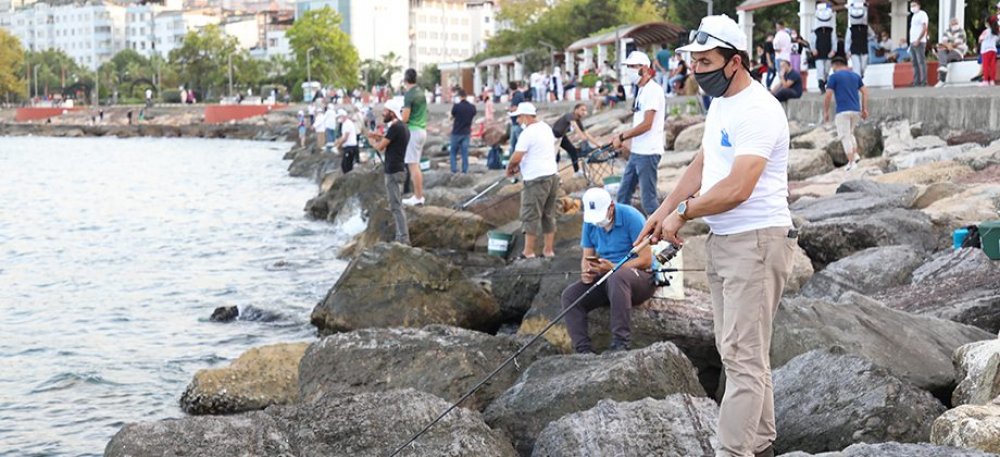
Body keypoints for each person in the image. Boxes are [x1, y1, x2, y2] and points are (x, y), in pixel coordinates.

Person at [644, 14, 796, 457]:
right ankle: (762, 444)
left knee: (743, 357)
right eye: (693, 61)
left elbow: (738, 186)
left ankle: (731, 451)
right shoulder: (722, 105)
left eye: (706, 61)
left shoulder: (760, 109)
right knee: (738, 352)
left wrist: (684, 215)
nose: (697, 70)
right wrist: (663, 210)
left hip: (757, 240)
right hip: (725, 241)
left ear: (735, 62)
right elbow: (706, 162)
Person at [561, 187, 654, 354]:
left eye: (600, 217)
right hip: (608, 277)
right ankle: (583, 350)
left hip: (640, 278)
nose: (597, 222)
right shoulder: (590, 223)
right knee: (570, 295)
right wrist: (587, 272)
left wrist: (614, 267)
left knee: (617, 277)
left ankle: (620, 342)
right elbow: (586, 256)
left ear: (611, 207)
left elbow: (646, 260)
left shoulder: (631, 217)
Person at [612, 51, 666, 216]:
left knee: (648, 201)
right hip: (638, 152)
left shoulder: (652, 90)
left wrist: (622, 136)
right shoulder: (641, 90)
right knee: (622, 196)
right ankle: (626, 232)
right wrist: (627, 142)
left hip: (648, 153)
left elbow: (647, 124)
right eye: (628, 67)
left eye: (632, 66)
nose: (629, 70)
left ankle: (663, 234)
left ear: (644, 69)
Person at [506, 102, 559, 259]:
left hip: (535, 179)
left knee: (530, 215)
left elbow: (517, 156)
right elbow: (537, 153)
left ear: (525, 116)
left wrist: (510, 168)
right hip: (552, 175)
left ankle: (528, 252)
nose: (516, 121)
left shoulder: (527, 133)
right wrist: (520, 166)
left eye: (518, 117)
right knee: (548, 214)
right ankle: (548, 251)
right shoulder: (545, 128)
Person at [366, 98, 411, 245]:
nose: (383, 113)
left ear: (392, 113)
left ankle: (403, 238)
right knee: (397, 204)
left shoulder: (395, 128)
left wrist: (371, 141)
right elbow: (391, 140)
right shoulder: (403, 127)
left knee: (395, 206)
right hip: (400, 169)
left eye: (385, 111)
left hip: (393, 171)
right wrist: (378, 136)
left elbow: (381, 147)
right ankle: (402, 236)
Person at [825, 56, 870, 170]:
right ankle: (855, 156)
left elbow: (828, 95)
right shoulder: (855, 76)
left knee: (845, 136)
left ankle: (851, 163)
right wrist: (864, 109)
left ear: (835, 65)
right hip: (856, 110)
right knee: (850, 133)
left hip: (842, 110)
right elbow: (865, 92)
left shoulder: (833, 77)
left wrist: (826, 111)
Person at [552, 103, 603, 175]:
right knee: (555, 155)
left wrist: (598, 144)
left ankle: (577, 171)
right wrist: (582, 137)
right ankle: (554, 173)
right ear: (576, 110)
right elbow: (575, 126)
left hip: (562, 137)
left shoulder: (578, 120)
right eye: (582, 110)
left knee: (573, 151)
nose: (584, 112)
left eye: (585, 110)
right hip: (553, 136)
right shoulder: (569, 115)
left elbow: (586, 133)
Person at [401, 68, 428, 206]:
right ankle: (418, 195)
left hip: (413, 131)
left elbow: (405, 118)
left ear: (405, 80)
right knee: (415, 164)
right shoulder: (421, 93)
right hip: (422, 130)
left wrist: (398, 117)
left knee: (413, 166)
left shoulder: (409, 94)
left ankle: (418, 197)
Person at [812, 1, 839, 93]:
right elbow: (813, 41)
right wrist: (813, 49)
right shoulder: (815, 31)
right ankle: (821, 85)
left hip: (828, 51)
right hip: (818, 52)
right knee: (820, 69)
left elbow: (834, 40)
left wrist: (833, 50)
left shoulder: (831, 31)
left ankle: (825, 81)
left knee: (827, 69)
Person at [449, 88, 477, 173]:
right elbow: (473, 114)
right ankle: (465, 169)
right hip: (466, 132)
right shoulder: (472, 107)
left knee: (453, 151)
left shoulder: (457, 106)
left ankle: (454, 169)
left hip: (456, 132)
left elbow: (452, 115)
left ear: (459, 96)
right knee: (465, 152)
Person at [937, 17, 969, 86]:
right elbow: (944, 41)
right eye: (953, 24)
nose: (955, 25)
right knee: (941, 52)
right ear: (950, 24)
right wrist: (948, 46)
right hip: (948, 49)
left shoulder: (961, 31)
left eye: (956, 23)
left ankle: (941, 79)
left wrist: (949, 45)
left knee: (944, 58)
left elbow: (957, 43)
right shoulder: (947, 31)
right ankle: (943, 69)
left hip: (958, 51)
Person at [910, 1, 930, 87]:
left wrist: (918, 39)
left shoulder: (922, 14)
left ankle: (923, 81)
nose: (912, 7)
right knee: (914, 63)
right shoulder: (914, 16)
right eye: (911, 6)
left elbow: (924, 27)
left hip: (920, 42)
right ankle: (916, 81)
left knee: (921, 62)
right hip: (912, 42)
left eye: (914, 5)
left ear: (918, 6)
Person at [334, 109, 359, 173]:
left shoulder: (347, 124)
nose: (339, 119)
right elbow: (343, 136)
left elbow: (345, 138)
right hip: (349, 147)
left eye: (340, 117)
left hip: (350, 147)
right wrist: (338, 141)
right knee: (345, 165)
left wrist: (338, 145)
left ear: (343, 116)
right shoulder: (345, 124)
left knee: (346, 166)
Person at [507, 81, 527, 157]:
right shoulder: (519, 95)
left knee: (516, 144)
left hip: (517, 123)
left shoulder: (516, 96)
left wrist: (509, 109)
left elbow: (515, 107)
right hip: (517, 123)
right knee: (515, 144)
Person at [980, 18, 999, 86]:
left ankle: (986, 80)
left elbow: (980, 39)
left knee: (986, 66)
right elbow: (997, 40)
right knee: (992, 66)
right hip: (993, 49)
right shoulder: (996, 31)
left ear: (988, 23)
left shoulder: (986, 31)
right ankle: (992, 80)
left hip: (985, 50)